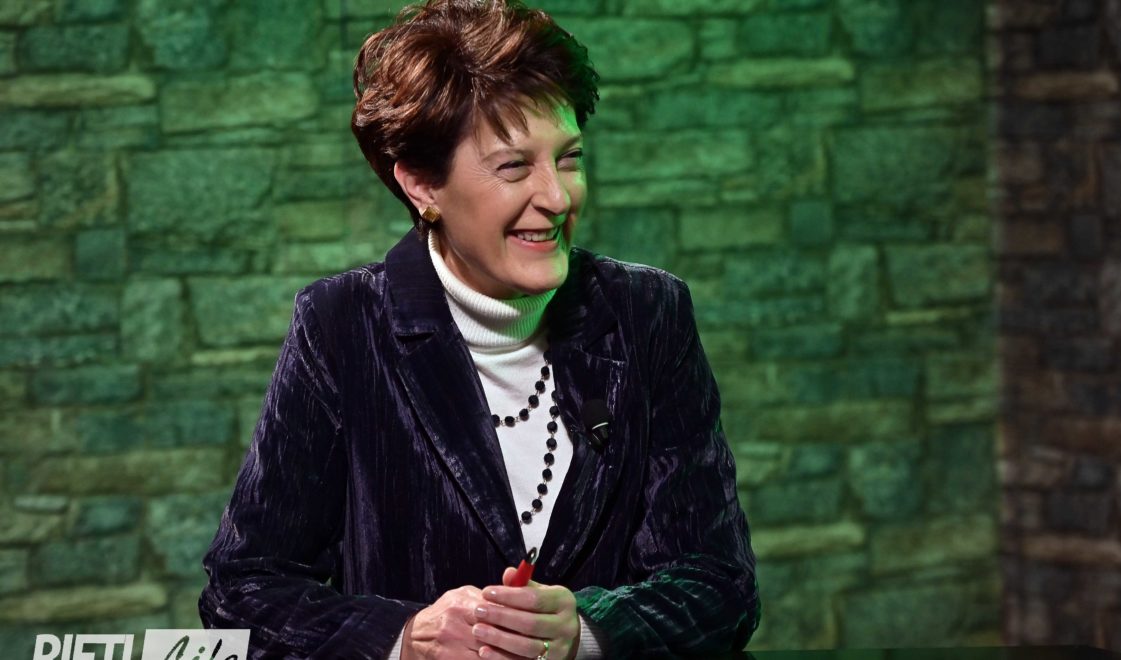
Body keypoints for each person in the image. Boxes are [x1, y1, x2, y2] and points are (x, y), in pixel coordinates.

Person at [198, 1, 759, 657]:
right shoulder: (341, 325)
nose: (557, 197)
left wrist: (585, 632)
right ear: (422, 185)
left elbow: (720, 584)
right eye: (514, 166)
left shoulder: (648, 313)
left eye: (570, 158)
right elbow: (243, 590)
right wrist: (406, 639)